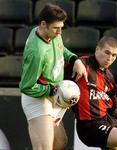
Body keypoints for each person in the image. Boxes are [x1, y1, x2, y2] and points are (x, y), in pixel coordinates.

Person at [19, 3, 87, 150]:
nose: (60, 32)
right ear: (43, 24)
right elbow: (26, 87)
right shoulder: (36, 53)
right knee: (44, 148)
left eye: (61, 27)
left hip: (52, 96)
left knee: (60, 142)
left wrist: (75, 59)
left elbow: (61, 49)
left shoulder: (50, 33)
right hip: (37, 100)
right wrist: (53, 91)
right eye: (56, 28)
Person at [65, 36, 117, 150]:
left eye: (114, 55)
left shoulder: (109, 77)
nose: (110, 58)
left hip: (107, 122)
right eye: (107, 53)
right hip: (89, 127)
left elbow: (115, 110)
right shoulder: (83, 64)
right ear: (97, 49)